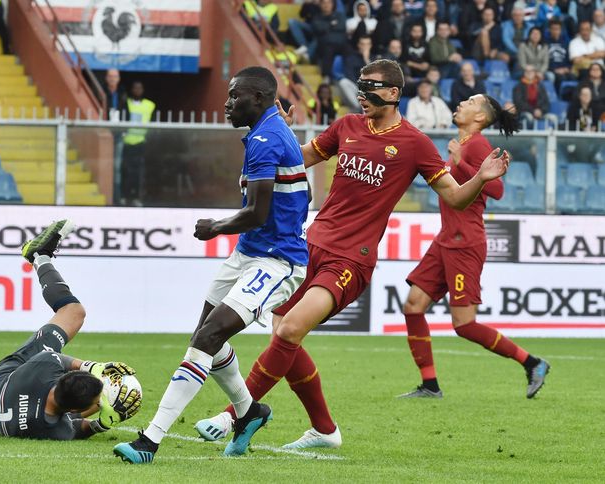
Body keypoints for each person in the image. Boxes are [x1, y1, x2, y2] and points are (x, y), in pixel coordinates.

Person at [195, 59, 510, 450]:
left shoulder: (414, 144)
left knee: (290, 330)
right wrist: (282, 135)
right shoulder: (347, 126)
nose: (362, 95)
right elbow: (300, 159)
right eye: (360, 87)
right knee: (283, 334)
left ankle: (232, 416)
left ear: (394, 93)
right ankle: (325, 431)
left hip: (351, 260)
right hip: (307, 246)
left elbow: (454, 198)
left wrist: (479, 177)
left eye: (371, 88)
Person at [113, 66, 309, 464]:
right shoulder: (264, 130)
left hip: (277, 260)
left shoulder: (267, 137)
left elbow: (256, 212)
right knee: (205, 336)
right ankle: (249, 412)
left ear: (258, 98)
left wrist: (215, 226)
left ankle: (150, 441)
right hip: (248, 253)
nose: (226, 102)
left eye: (235, 95)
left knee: (207, 338)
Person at [399, 81, 551, 402]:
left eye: (469, 101)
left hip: (465, 242)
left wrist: (460, 161)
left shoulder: (477, 145)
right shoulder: (463, 143)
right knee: (413, 305)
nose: (461, 103)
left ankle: (532, 362)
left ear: (480, 117)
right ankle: (430, 385)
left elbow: (496, 190)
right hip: (446, 240)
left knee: (464, 324)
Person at [0, 220, 141, 440]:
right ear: (72, 411)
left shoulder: (40, 371)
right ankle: (39, 256)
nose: (98, 404)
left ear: (58, 380)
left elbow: (53, 357)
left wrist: (93, 367)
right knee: (75, 313)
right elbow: (80, 428)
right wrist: (105, 421)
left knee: (73, 312)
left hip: (5, 378)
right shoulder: (54, 430)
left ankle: (39, 256)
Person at [120, 81, 155, 206]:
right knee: (125, 170)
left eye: (139, 88)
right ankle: (124, 195)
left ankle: (136, 197)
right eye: (135, 88)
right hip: (126, 142)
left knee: (138, 172)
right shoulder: (126, 103)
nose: (137, 90)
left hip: (140, 143)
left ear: (143, 90)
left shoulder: (149, 105)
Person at [312, 0, 351, 82]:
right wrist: (331, 24)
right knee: (328, 50)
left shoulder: (340, 15)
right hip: (326, 45)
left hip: (341, 44)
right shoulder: (317, 17)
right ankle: (326, 76)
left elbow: (341, 26)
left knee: (350, 52)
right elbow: (318, 28)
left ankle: (349, 76)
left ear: (333, 4)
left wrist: (327, 27)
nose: (326, 5)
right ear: (320, 5)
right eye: (324, 3)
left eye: (329, 3)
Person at [339, 35, 375, 108]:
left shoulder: (375, 59)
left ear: (371, 45)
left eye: (367, 44)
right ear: (358, 45)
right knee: (343, 82)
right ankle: (359, 108)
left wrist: (366, 60)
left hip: (371, 90)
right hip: (356, 88)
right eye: (363, 44)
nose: (365, 46)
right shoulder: (351, 58)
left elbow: (376, 77)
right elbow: (349, 76)